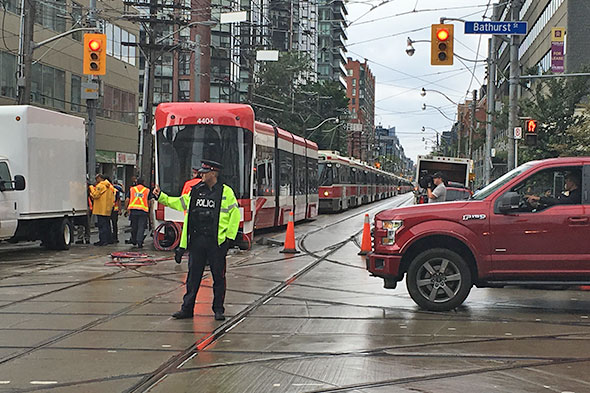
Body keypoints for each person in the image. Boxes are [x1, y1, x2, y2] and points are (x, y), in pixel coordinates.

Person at [153, 159, 240, 321]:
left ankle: (218, 309)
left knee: (218, 278)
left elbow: (234, 216)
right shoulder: (196, 190)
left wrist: (228, 239)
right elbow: (180, 203)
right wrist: (161, 197)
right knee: (193, 277)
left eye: (205, 172)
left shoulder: (226, 192)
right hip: (197, 241)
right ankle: (187, 309)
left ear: (213, 173)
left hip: (216, 242)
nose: (201, 174)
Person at [175, 167, 202, 263]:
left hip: (188, 212)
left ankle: (181, 250)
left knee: (186, 234)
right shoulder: (205, 184)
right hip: (201, 214)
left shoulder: (188, 184)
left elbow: (183, 198)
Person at [125, 178, 151, 248]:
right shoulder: (147, 190)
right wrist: (149, 210)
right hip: (143, 211)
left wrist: (126, 209)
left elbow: (127, 200)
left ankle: (133, 240)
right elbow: (149, 202)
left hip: (133, 210)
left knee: (134, 227)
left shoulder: (132, 189)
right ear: (144, 182)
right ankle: (139, 242)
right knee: (141, 227)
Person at [89, 174, 115, 246]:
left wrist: (91, 188)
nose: (96, 180)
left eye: (96, 178)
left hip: (100, 209)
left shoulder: (100, 186)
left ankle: (103, 241)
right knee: (107, 225)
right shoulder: (109, 186)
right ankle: (109, 239)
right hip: (107, 209)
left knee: (102, 226)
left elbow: (95, 195)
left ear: (100, 178)